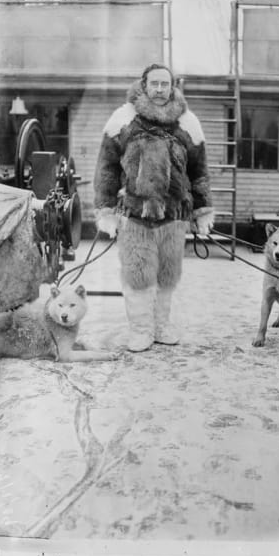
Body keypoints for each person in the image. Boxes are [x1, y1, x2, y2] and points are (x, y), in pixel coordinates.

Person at [93, 63, 214, 352]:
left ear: (173, 87)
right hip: (135, 216)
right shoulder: (124, 119)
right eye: (154, 83)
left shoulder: (188, 123)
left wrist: (202, 210)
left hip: (174, 217)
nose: (160, 89)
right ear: (144, 85)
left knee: (168, 274)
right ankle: (140, 330)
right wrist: (105, 209)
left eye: (165, 84)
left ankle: (161, 326)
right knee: (138, 274)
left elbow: (199, 171)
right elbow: (106, 168)